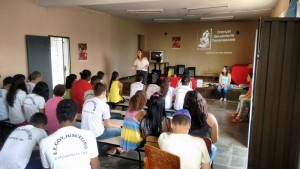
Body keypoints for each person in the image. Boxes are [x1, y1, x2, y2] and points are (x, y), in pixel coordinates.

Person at [40, 99, 99, 169]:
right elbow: (94, 166)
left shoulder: (44, 143)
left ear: (57, 115)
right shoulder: (89, 135)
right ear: (76, 116)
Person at [81, 82, 122, 154]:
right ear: (104, 92)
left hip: (84, 132)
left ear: (94, 92)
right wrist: (119, 126)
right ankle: (113, 149)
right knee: (122, 131)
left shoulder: (86, 102)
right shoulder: (104, 105)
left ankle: (114, 148)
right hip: (97, 134)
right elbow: (108, 125)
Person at [183, 91, 219, 160]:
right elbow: (214, 140)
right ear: (201, 102)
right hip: (203, 153)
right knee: (214, 148)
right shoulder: (211, 118)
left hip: (186, 151)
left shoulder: (181, 117)